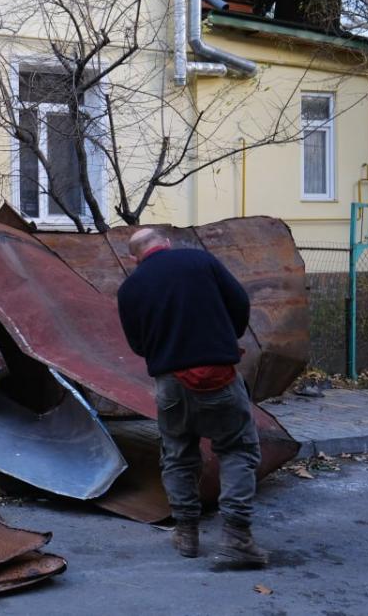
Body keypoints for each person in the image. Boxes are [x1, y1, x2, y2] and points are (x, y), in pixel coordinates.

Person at [116, 228, 269, 565]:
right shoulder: (198, 260)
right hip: (219, 376)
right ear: (166, 245)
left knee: (178, 455)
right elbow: (239, 302)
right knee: (237, 450)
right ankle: (237, 540)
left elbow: (137, 345)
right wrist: (227, 334)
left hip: (170, 384)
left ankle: (186, 534)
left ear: (133, 258)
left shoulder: (130, 289)